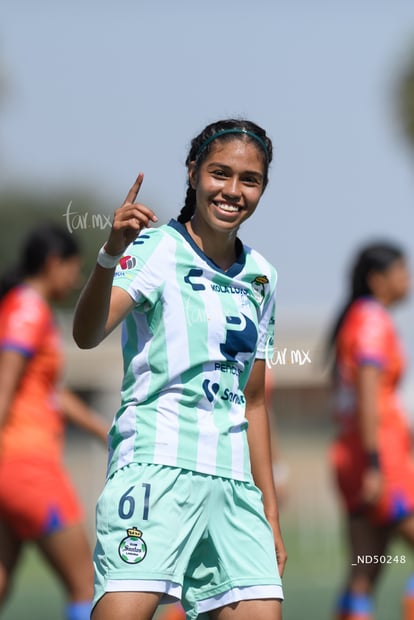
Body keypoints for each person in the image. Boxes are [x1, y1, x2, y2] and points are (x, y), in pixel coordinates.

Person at [73, 118, 287, 620]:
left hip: (235, 487)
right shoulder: (154, 248)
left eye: (249, 180)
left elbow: (254, 400)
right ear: (193, 174)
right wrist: (109, 254)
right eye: (219, 174)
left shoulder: (263, 276)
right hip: (156, 469)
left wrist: (270, 514)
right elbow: (86, 335)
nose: (232, 191)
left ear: (262, 188)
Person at [0, 223, 109, 620]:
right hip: (27, 467)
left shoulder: (27, 309)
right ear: (52, 264)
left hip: (12, 468)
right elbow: (4, 386)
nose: (76, 278)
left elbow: (49, 391)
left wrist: (101, 430)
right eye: (72, 268)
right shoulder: (27, 309)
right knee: (85, 581)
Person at [327, 242, 414, 620]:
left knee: (364, 569)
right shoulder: (373, 320)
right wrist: (377, 464)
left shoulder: (356, 318)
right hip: (380, 458)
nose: (407, 280)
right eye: (402, 271)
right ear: (378, 279)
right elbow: (367, 388)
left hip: (352, 454)